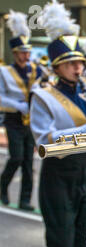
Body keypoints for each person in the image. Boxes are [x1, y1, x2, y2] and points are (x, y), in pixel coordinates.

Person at [28, 0, 86, 247]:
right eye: (71, 63)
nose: (78, 68)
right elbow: (44, 141)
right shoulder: (43, 97)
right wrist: (85, 128)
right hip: (58, 176)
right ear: (57, 66)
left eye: (80, 63)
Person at [0, 10, 42, 211]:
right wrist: (18, 105)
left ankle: (25, 199)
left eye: (28, 52)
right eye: (22, 52)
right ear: (15, 53)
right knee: (16, 157)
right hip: (14, 120)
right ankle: (2, 188)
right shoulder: (4, 71)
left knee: (27, 162)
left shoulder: (36, 70)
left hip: (31, 121)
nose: (26, 55)